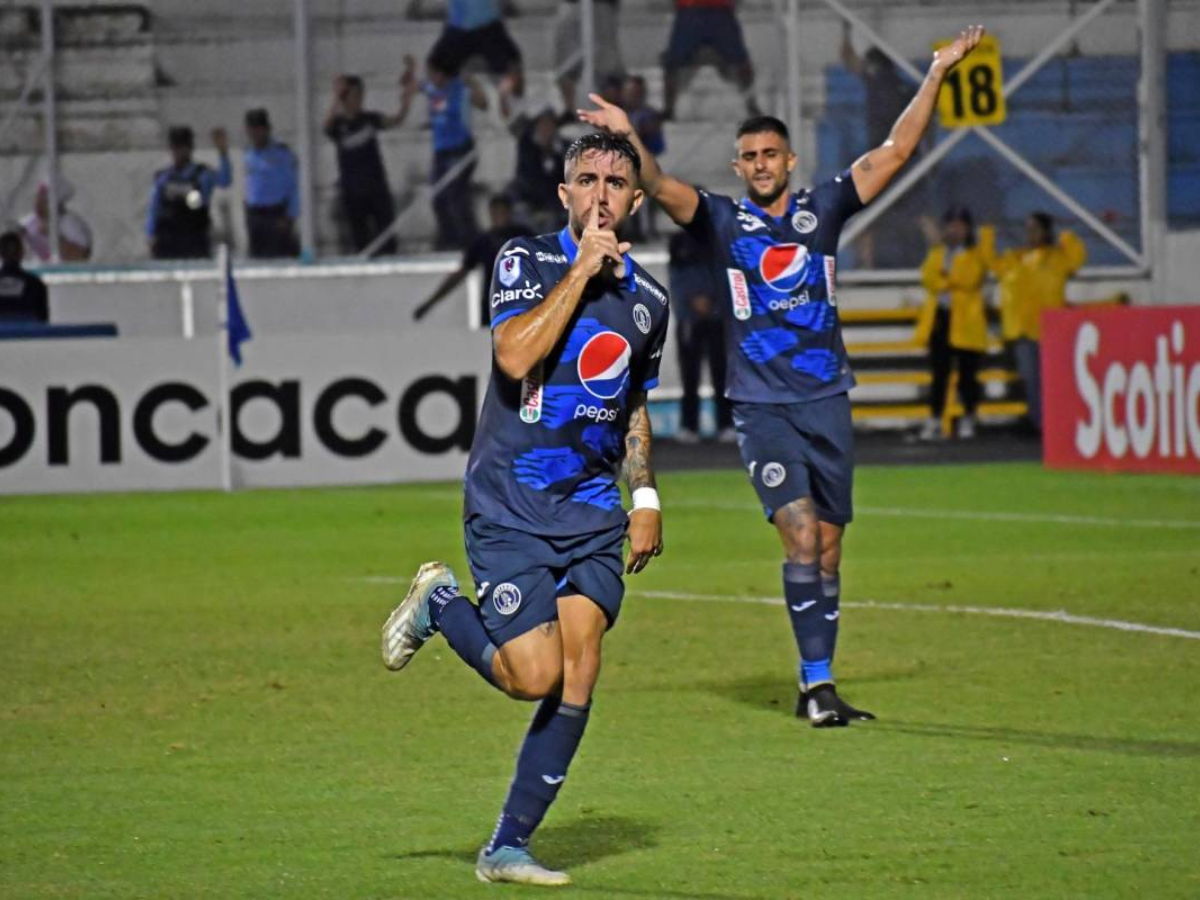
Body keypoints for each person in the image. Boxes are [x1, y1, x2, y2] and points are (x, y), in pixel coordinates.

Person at [581, 24, 985, 727]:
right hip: (762, 406)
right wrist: (627, 137)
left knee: (828, 548)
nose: (761, 164)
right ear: (737, 167)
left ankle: (817, 682)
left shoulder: (821, 208)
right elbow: (656, 182)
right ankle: (818, 691)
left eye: (771, 153)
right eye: (749, 156)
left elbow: (896, 150)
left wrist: (940, 73)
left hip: (828, 399)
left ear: (789, 160)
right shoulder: (722, 219)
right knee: (800, 536)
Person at [381, 133, 668, 886]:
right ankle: (442, 602)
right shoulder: (525, 262)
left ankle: (507, 846)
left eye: (615, 182)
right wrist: (580, 271)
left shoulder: (650, 303)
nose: (601, 193)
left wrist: (644, 494)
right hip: (510, 506)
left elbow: (633, 402)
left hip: (595, 511)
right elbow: (514, 356)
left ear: (636, 201)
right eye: (587, 179)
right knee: (531, 677)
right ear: (566, 194)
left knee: (581, 666)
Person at [983, 212, 1086, 433]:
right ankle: (1039, 422)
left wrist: (1067, 235)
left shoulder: (1057, 257)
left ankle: (1058, 422)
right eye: (1028, 229)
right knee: (1031, 379)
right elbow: (991, 262)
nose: (1030, 233)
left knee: (1056, 379)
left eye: (1035, 229)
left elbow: (1077, 258)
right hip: (1024, 329)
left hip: (1052, 328)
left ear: (1046, 231)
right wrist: (988, 233)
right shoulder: (1015, 257)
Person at [840, 24, 927, 268]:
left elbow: (848, 60)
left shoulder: (875, 81)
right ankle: (940, 260)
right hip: (909, 157)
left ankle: (866, 266)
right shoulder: (908, 90)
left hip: (882, 158)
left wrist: (845, 32)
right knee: (920, 215)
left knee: (866, 213)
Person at [399, 51, 486, 251]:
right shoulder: (433, 88)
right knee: (438, 198)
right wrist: (410, 71)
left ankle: (470, 241)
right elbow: (411, 84)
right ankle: (448, 239)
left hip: (460, 150)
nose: (430, 78)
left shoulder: (459, 89)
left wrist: (473, 83)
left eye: (433, 73)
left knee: (457, 197)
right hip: (441, 152)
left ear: (443, 74)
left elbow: (482, 103)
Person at [915, 206, 988, 441]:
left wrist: (946, 278)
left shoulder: (975, 253)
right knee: (939, 373)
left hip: (966, 320)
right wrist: (947, 279)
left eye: (960, 225)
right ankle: (935, 418)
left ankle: (968, 417)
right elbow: (929, 278)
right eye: (951, 225)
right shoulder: (938, 252)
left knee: (968, 374)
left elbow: (969, 278)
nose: (955, 230)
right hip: (941, 318)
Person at [413, 194, 533, 323]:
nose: (499, 217)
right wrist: (430, 303)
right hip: (493, 309)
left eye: (502, 212)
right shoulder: (484, 241)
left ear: (509, 213)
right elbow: (460, 273)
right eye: (495, 213)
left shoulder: (524, 237)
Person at [324, 74, 405, 255]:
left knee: (386, 234)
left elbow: (395, 120)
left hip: (376, 186)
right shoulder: (338, 124)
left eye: (360, 94)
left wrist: (405, 100)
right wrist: (336, 97)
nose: (358, 99)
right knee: (360, 238)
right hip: (353, 190)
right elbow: (326, 127)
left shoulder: (369, 119)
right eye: (353, 95)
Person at [668, 228, 732, 442]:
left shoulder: (717, 238)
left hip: (717, 317)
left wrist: (713, 303)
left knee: (721, 373)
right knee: (689, 374)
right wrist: (691, 302)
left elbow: (725, 277)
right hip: (689, 319)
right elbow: (676, 277)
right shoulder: (678, 242)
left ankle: (726, 424)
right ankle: (689, 426)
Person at [660, 0, 760, 122]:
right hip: (690, 12)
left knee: (741, 61)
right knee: (672, 63)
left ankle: (752, 106)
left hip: (720, 13)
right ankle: (668, 109)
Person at [146, 125, 233, 259]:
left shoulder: (202, 174)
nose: (178, 152)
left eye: (182, 147)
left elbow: (225, 180)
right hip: (167, 241)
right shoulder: (163, 177)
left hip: (194, 240)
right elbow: (155, 208)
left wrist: (223, 153)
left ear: (190, 149)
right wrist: (150, 234)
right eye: (175, 148)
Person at [428, 0, 524, 99]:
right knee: (513, 65)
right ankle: (503, 97)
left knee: (436, 68)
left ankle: (503, 97)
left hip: (464, 27)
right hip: (482, 25)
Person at [241, 108, 300, 259]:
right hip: (255, 215)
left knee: (281, 258)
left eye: (258, 129)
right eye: (251, 129)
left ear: (267, 129)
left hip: (276, 215)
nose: (255, 134)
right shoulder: (248, 155)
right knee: (257, 260)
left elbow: (294, 187)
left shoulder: (282, 154)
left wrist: (290, 216)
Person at [554, 0, 623, 116]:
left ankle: (611, 110)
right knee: (565, 66)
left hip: (600, 7)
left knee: (606, 63)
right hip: (572, 5)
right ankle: (570, 112)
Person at [509, 109, 567, 233]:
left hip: (554, 205)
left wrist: (555, 154)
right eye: (543, 124)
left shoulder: (561, 149)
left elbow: (563, 179)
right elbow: (526, 177)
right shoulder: (527, 148)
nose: (546, 128)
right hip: (530, 202)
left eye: (550, 124)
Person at [20, 178, 93, 262]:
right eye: (38, 196)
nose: (38, 202)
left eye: (44, 199)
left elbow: (81, 255)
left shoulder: (71, 223)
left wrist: (53, 235)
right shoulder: (29, 221)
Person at [0, 231, 49, 323]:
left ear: (1, 253)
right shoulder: (35, 284)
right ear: (21, 252)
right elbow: (43, 320)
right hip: (28, 335)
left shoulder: (35, 284)